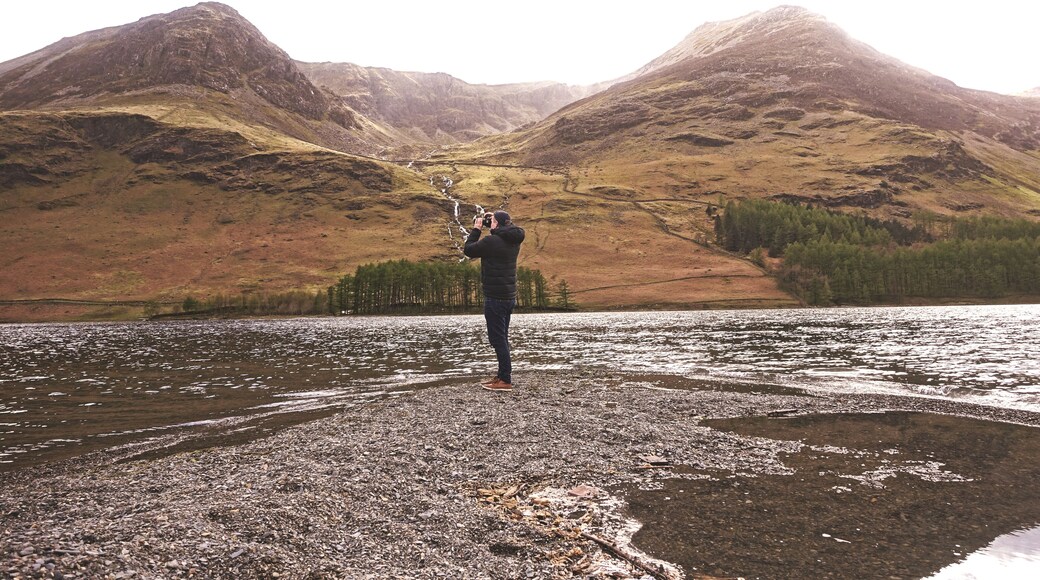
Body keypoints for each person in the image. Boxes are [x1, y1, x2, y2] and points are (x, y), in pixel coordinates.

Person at [464, 210, 525, 391]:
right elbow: (506, 231)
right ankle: (502, 375)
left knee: (497, 339)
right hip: (508, 296)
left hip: (495, 297)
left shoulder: (491, 241)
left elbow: (469, 250)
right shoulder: (514, 240)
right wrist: (495, 222)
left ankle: (505, 380)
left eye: (492, 222)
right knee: (502, 338)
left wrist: (477, 229)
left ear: (496, 224)